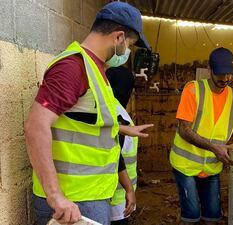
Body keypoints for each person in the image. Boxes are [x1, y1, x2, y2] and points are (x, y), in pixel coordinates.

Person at [24, 2, 153, 225]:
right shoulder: (73, 67)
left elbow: (82, 121)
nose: (127, 52)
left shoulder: (96, 69)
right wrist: (55, 197)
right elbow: (35, 126)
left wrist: (121, 128)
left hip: (90, 195)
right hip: (74, 202)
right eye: (130, 44)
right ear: (119, 37)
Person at [169, 47, 233, 225]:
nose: (225, 79)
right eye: (220, 74)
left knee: (213, 215)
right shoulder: (194, 90)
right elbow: (184, 129)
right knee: (191, 214)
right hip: (186, 165)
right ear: (209, 69)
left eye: (228, 74)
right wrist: (213, 147)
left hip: (211, 167)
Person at [106, 66, 138, 225]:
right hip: (116, 198)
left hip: (112, 196)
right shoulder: (118, 115)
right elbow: (115, 156)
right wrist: (129, 189)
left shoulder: (105, 108)